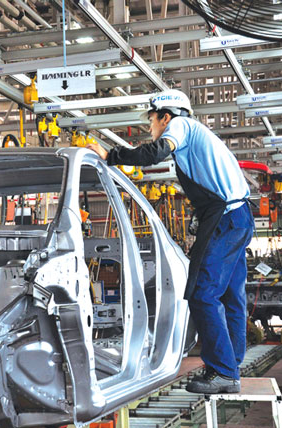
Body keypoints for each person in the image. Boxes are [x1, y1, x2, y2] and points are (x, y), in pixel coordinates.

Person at [88, 89, 254, 394]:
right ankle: (232, 363)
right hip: (238, 217)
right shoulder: (199, 135)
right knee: (231, 296)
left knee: (203, 294)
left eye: (151, 120)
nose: (150, 127)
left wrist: (111, 156)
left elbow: (155, 152)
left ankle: (223, 372)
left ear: (165, 115)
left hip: (226, 219)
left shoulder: (180, 126)